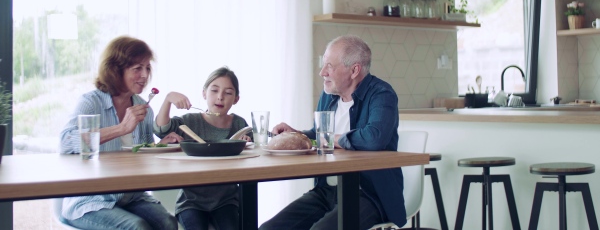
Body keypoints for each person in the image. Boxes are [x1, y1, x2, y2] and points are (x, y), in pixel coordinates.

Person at [259, 35, 404, 230]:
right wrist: (296, 134)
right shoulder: (329, 96)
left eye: (329, 66)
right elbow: (318, 135)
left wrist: (332, 139)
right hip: (327, 191)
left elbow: (374, 138)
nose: (322, 73)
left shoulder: (381, 94)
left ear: (354, 70)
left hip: (368, 195)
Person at [59, 36, 181, 230]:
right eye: (137, 68)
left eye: (147, 68)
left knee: (169, 223)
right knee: (137, 227)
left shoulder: (143, 107)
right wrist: (121, 128)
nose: (145, 75)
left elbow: (141, 155)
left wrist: (161, 146)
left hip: (130, 196)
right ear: (116, 69)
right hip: (91, 200)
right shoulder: (91, 102)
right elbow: (66, 141)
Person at [154, 66, 252, 230]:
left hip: (226, 200)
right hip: (191, 202)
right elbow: (161, 129)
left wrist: (246, 142)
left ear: (236, 99)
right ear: (204, 93)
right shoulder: (190, 121)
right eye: (214, 90)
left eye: (228, 93)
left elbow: (253, 149)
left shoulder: (239, 124)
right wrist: (168, 99)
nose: (220, 97)